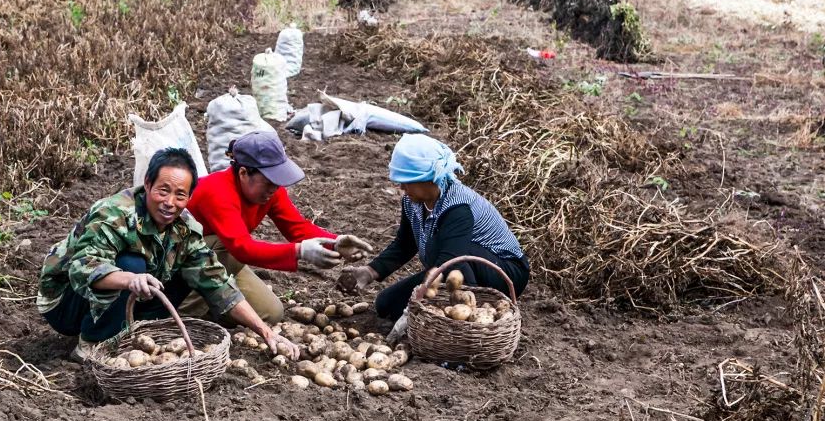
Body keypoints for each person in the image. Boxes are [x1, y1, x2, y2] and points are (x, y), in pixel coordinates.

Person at [38, 147, 299, 361]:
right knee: (132, 264)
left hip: (125, 294)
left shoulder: (185, 227)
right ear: (148, 184)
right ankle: (90, 344)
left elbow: (215, 281)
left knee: (188, 271)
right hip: (65, 304)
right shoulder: (115, 214)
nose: (170, 202)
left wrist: (266, 332)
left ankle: (128, 329)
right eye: (163, 191)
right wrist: (129, 279)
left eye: (180, 195)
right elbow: (82, 267)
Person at [337, 134, 529, 343]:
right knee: (386, 304)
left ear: (429, 178)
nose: (402, 187)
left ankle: (465, 323)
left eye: (407, 182)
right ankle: (444, 309)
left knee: (439, 247)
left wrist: (412, 310)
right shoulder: (412, 202)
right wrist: (370, 272)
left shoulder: (457, 207)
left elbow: (449, 262)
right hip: (450, 266)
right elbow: (405, 244)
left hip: (501, 271)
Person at [184, 130, 373, 323]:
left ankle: (211, 305)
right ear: (243, 173)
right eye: (268, 182)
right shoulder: (216, 191)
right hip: (181, 261)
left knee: (270, 312)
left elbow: (297, 228)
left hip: (220, 262)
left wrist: (335, 242)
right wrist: (299, 251)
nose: (274, 189)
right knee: (228, 249)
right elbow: (242, 249)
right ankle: (179, 311)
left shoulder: (270, 191)